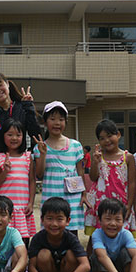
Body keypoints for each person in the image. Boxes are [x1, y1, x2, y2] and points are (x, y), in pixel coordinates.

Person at [0, 118, 37, 272]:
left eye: (18, 135)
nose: (14, 138)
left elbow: (32, 181)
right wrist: (5, 171)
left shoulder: (28, 157)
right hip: (5, 211)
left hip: (22, 208)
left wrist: (31, 202)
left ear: (23, 137)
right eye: (9, 134)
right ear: (3, 136)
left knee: (23, 243)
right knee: (4, 242)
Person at [33, 101, 86, 237]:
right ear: (45, 122)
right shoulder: (40, 147)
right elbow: (39, 174)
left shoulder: (75, 145)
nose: (57, 123)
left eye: (61, 119)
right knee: (50, 231)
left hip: (72, 197)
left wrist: (84, 194)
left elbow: (80, 172)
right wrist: (43, 154)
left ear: (66, 122)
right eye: (52, 119)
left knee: (71, 231)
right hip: (51, 194)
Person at [28, 197, 90, 272]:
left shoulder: (71, 238)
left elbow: (86, 266)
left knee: (72, 255)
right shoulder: (38, 238)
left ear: (68, 221)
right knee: (43, 254)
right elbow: (31, 267)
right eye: (49, 218)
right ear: (42, 220)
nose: (54, 224)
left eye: (59, 219)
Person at [84, 119, 136, 237]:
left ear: (118, 135)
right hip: (100, 202)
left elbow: (132, 183)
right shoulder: (99, 156)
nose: (107, 141)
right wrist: (95, 162)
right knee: (96, 236)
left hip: (121, 202)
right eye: (102, 138)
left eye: (109, 136)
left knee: (121, 235)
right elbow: (93, 177)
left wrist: (129, 205)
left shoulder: (128, 157)